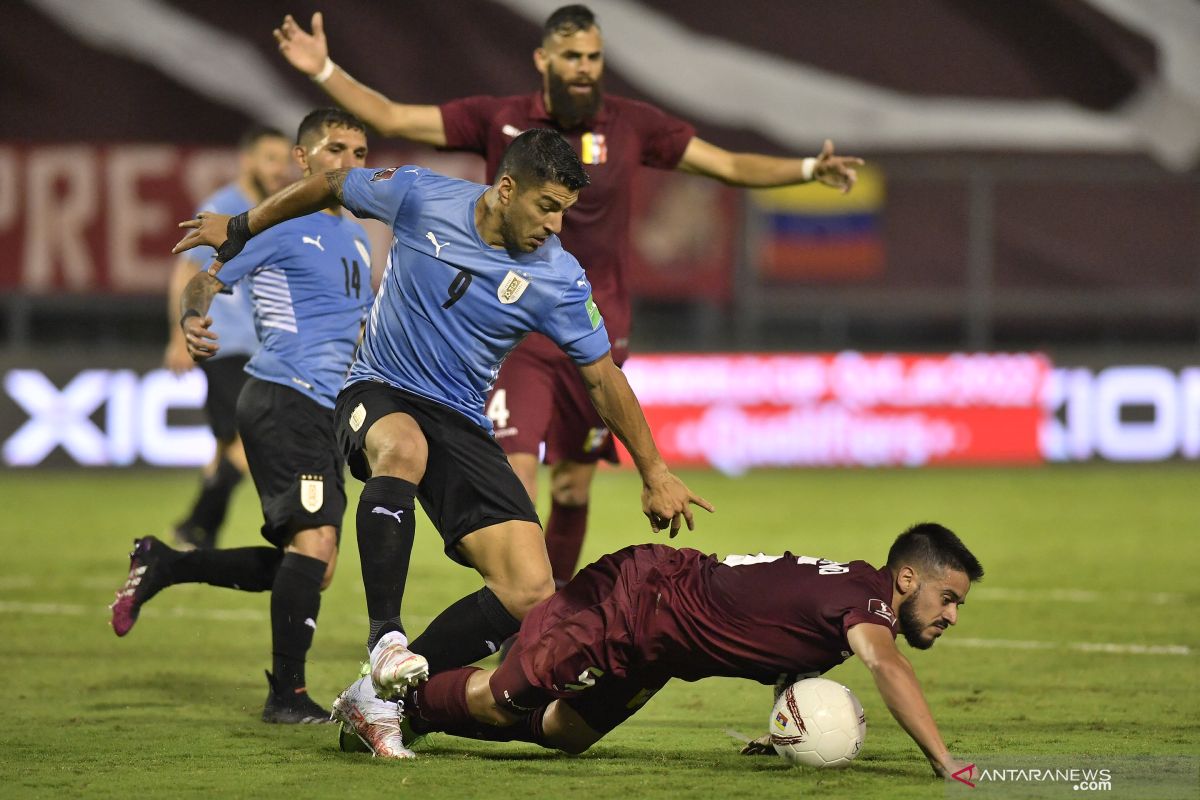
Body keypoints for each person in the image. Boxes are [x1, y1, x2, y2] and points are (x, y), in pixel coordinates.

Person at [273, 4, 862, 588]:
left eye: (594, 57)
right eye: (573, 56)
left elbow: (728, 163)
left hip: (595, 333)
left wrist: (807, 167)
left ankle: (541, 624)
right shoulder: (500, 118)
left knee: (573, 486)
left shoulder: (632, 124)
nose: (585, 68)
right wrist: (323, 70)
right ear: (544, 59)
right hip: (514, 334)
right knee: (517, 474)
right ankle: (513, 606)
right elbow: (392, 116)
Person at [171, 129, 713, 739]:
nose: (557, 226)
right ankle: (385, 639)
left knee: (529, 589)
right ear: (506, 189)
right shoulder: (421, 196)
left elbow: (603, 379)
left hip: (461, 417)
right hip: (377, 386)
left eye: (565, 211)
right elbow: (329, 184)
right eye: (547, 207)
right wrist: (243, 224)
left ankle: (379, 698)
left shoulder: (559, 278)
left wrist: (654, 469)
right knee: (403, 448)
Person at [334, 522, 982, 778]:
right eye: (948, 598)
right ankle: (384, 700)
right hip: (639, 605)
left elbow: (791, 653)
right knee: (504, 701)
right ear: (906, 580)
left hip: (662, 644)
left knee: (567, 732)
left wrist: (789, 723)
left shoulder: (852, 600)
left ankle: (414, 710)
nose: (951, 615)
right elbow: (886, 665)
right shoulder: (867, 604)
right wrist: (944, 760)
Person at [110, 108, 374, 725]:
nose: (351, 164)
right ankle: (287, 696)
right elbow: (205, 279)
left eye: (361, 153)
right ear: (303, 160)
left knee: (317, 564)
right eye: (337, 149)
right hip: (283, 397)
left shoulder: (359, 235)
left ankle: (167, 563)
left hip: (323, 408)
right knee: (314, 543)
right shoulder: (280, 222)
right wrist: (190, 319)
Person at [164, 125, 291, 550]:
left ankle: (201, 532)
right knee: (253, 439)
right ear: (247, 160)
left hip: (264, 345)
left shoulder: (274, 210)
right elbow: (185, 271)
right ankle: (196, 523)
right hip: (224, 343)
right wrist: (179, 333)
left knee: (225, 445)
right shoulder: (221, 208)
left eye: (283, 160)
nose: (279, 168)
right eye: (270, 159)